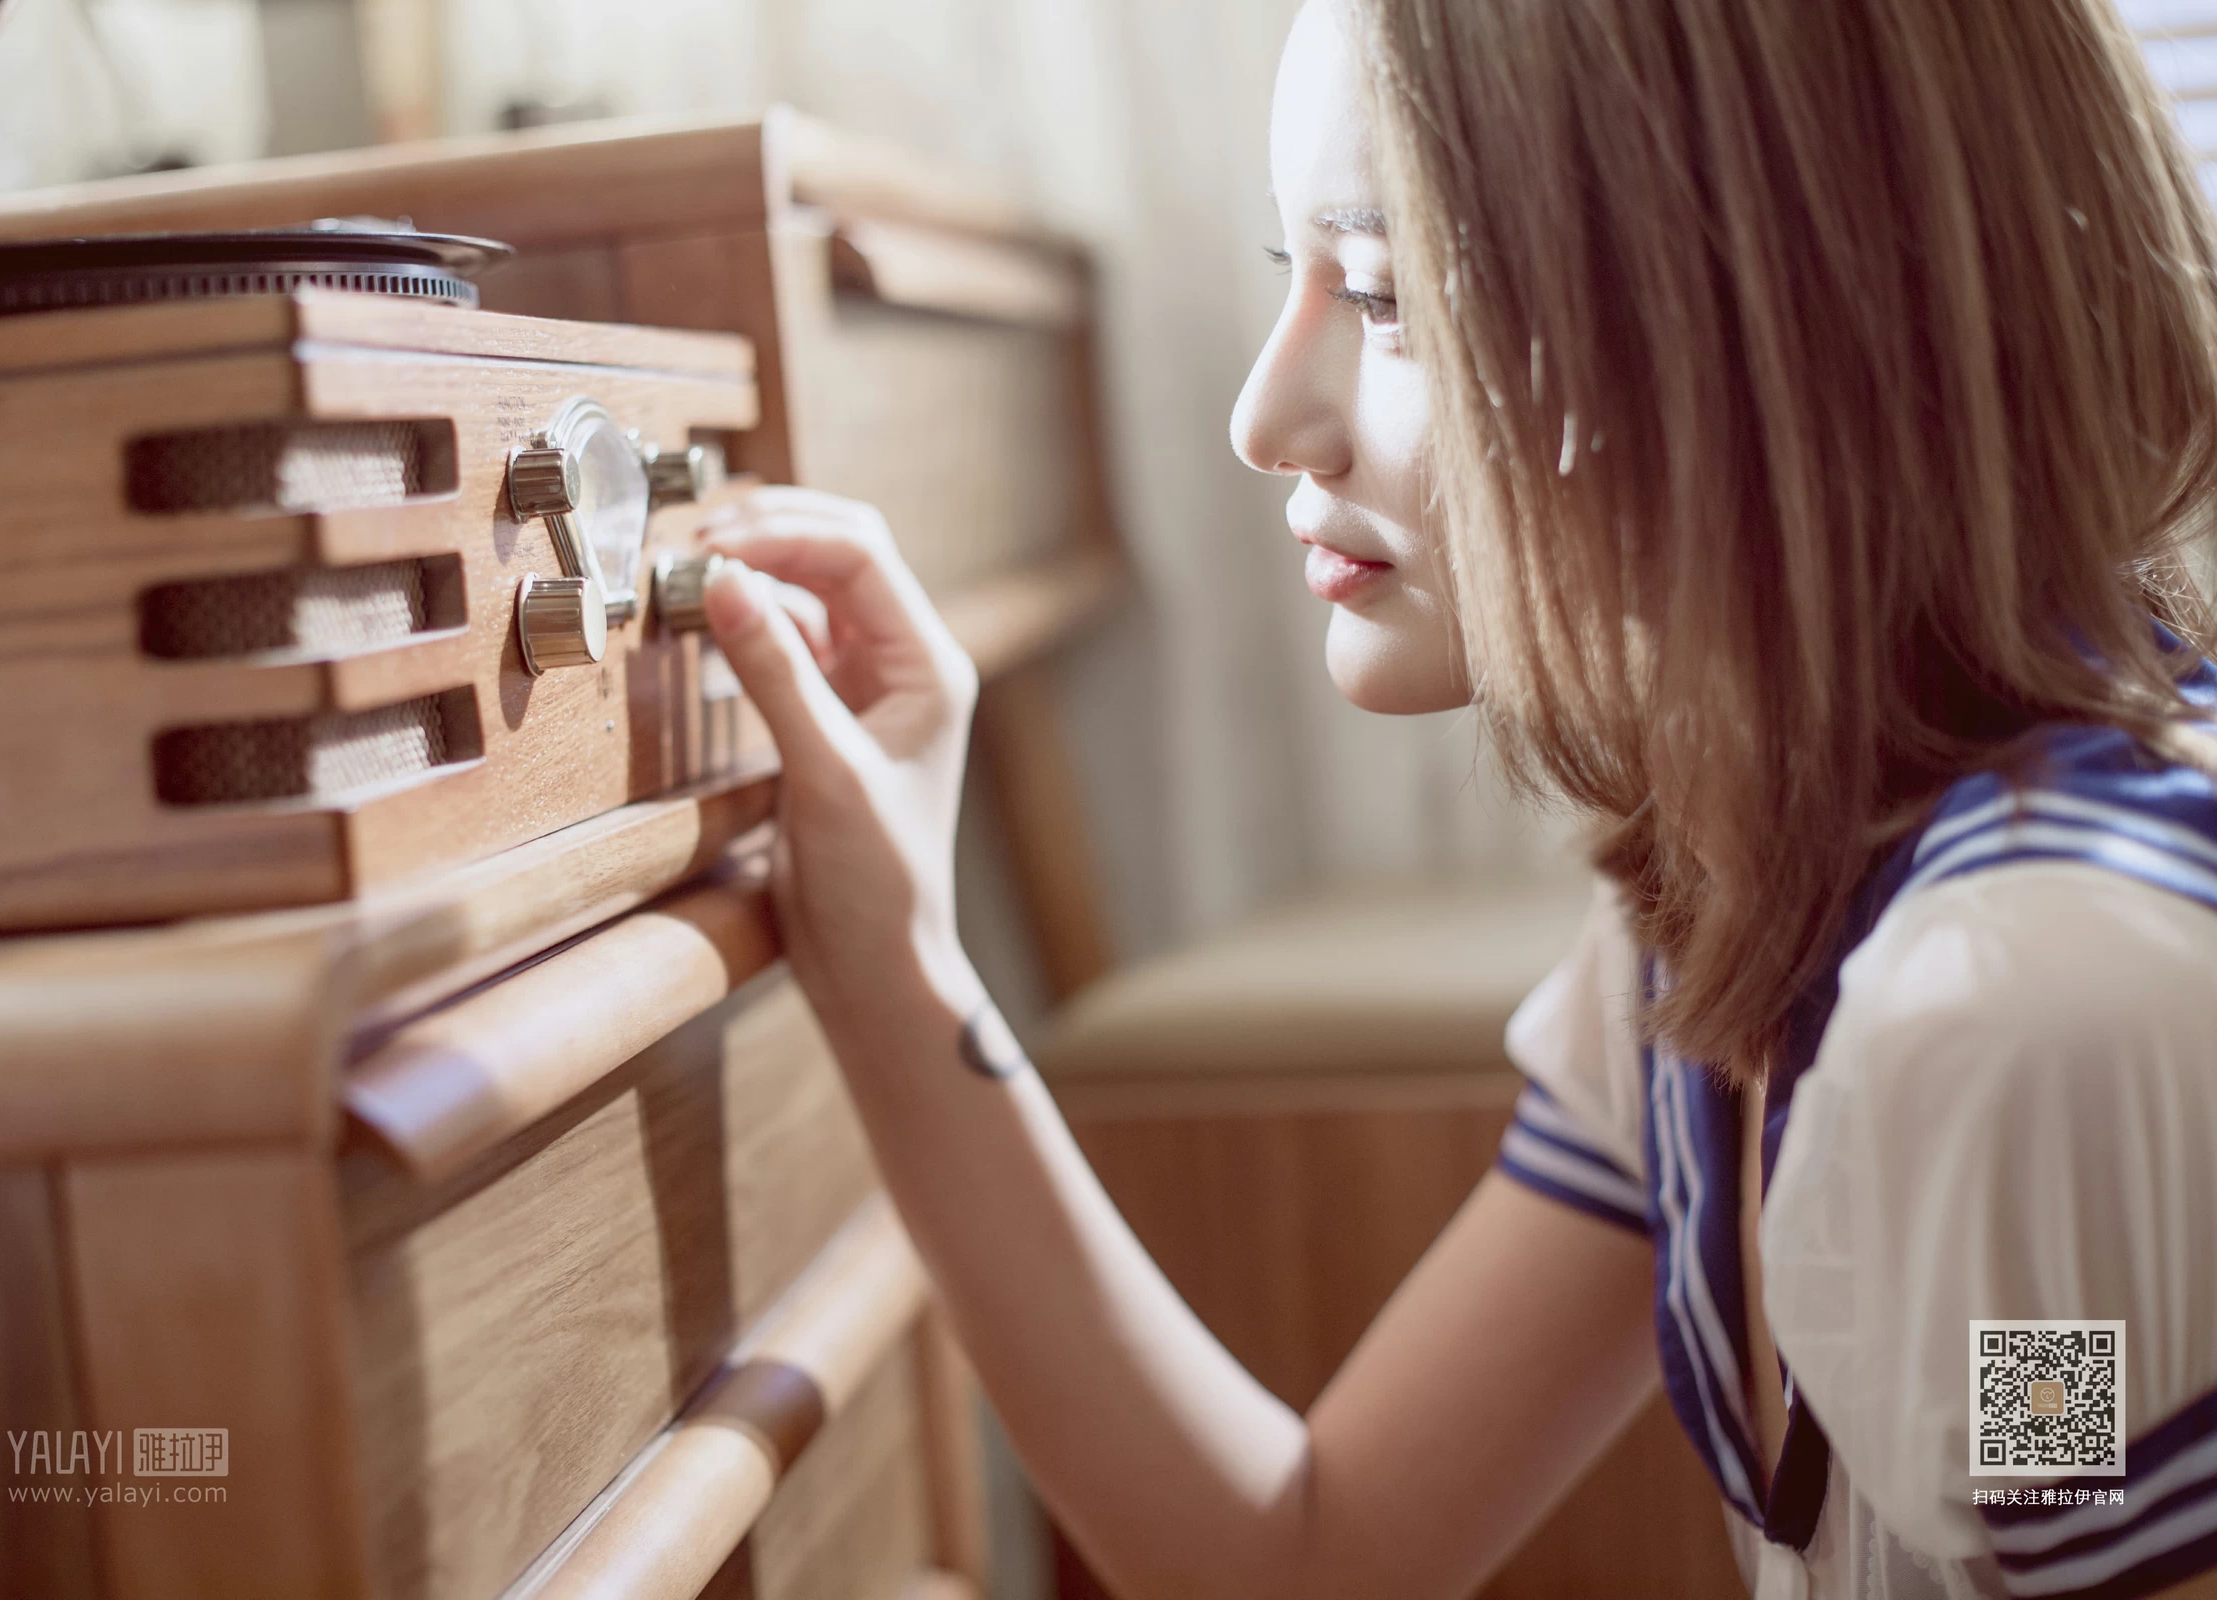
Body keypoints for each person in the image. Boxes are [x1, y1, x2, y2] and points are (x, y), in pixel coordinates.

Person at [687, 0, 2217, 1595]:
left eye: (1390, 299)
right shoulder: (1722, 913)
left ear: (1775, 322)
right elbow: (1305, 1557)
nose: (1264, 420)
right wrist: (895, 952)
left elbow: (2060, 1494)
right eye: (1297, 280)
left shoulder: (2024, 1034)